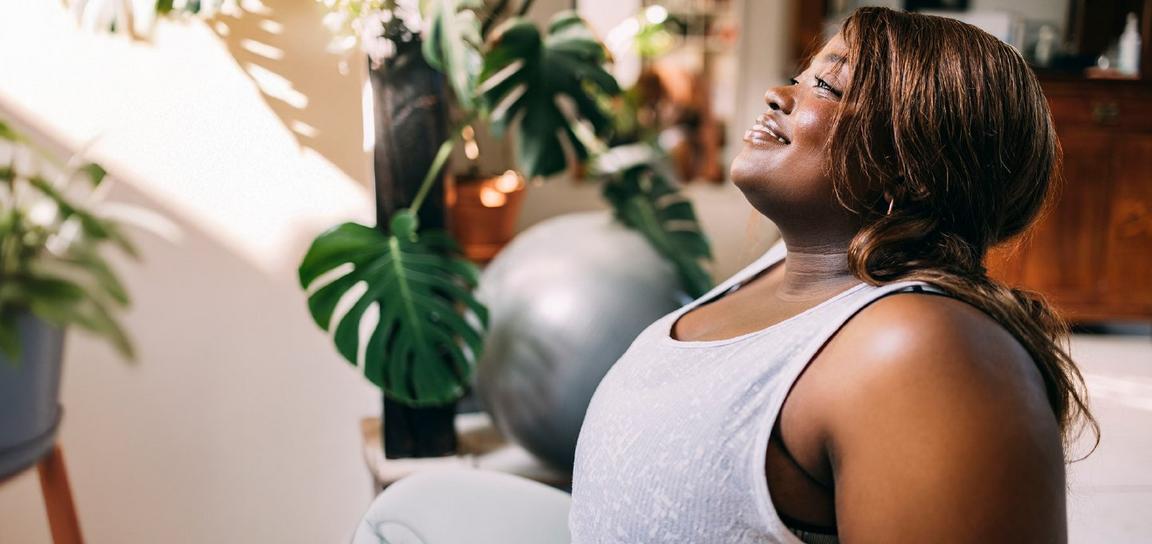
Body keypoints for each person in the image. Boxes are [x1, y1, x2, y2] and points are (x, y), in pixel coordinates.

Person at [569, 7, 1097, 543]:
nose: (779, 92)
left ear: (910, 167)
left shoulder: (923, 351)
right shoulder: (778, 269)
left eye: (826, 85)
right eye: (802, 76)